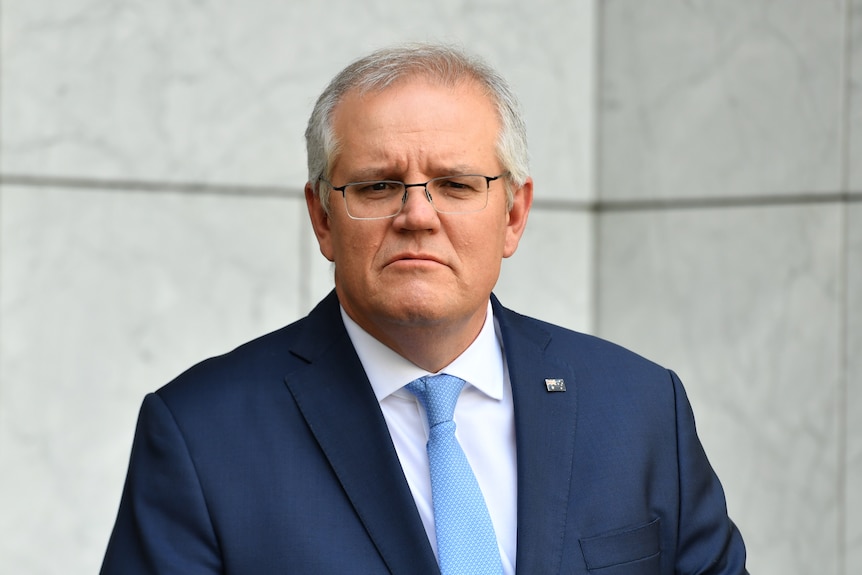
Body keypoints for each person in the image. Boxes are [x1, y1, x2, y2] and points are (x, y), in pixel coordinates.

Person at [101, 43, 748, 574]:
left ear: (514, 215)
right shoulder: (201, 433)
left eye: (456, 185)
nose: (417, 215)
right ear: (323, 218)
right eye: (379, 185)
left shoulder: (639, 407)